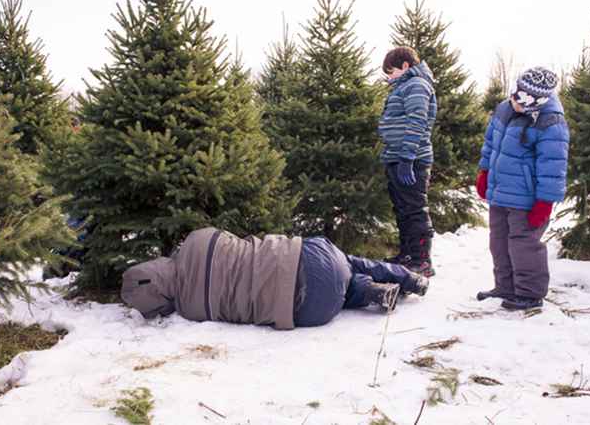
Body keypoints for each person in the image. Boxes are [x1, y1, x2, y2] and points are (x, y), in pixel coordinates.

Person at [120, 227, 429, 329]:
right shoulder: (197, 240)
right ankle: (406, 277)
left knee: (338, 292)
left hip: (309, 311)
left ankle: (369, 292)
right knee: (347, 263)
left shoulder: (190, 310)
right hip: (307, 259)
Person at [475, 67, 570, 310]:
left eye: (523, 99)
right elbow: (490, 143)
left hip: (526, 199)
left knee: (523, 245)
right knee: (498, 242)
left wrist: (544, 202)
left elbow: (553, 166)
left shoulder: (551, 122)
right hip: (500, 191)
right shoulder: (505, 108)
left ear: (537, 101)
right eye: (515, 94)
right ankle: (505, 287)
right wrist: (484, 172)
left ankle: (529, 294)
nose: (515, 101)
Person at [378, 46, 438, 277]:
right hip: (396, 156)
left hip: (411, 159)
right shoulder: (404, 86)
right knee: (402, 208)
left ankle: (422, 259)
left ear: (405, 66)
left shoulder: (417, 85)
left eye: (391, 71)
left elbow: (417, 122)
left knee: (414, 209)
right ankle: (407, 254)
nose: (389, 76)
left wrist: (407, 157)